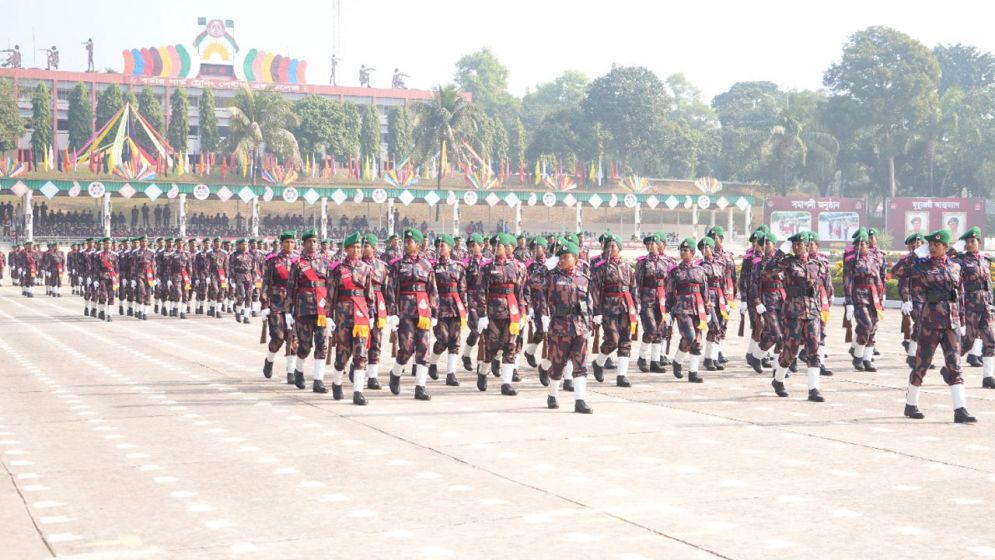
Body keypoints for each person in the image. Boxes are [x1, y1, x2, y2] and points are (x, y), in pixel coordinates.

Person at [895, 229, 976, 423]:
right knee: (921, 365)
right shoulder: (921, 266)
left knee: (955, 366)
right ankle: (911, 404)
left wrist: (963, 322)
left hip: (952, 322)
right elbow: (897, 271)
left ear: (945, 247)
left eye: (936, 245)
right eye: (930, 244)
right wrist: (915, 254)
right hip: (930, 322)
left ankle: (960, 409)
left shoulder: (956, 267)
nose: (932, 247)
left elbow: (961, 295)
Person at [770, 232, 828, 402]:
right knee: (791, 349)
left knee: (814, 348)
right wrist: (780, 252)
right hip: (793, 312)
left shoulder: (817, 263)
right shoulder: (787, 263)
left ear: (807, 245)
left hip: (812, 311)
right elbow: (767, 272)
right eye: (793, 244)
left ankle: (814, 389)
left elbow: (823, 284)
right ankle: (778, 380)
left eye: (799, 244)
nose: (796, 247)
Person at [538, 239, 594, 413]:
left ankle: (580, 401)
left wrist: (590, 322)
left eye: (565, 257)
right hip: (560, 327)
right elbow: (533, 282)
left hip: (579, 326)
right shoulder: (553, 278)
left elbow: (588, 302)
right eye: (559, 257)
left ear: (575, 259)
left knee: (580, 364)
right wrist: (546, 266)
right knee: (557, 364)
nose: (561, 260)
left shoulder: (583, 279)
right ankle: (552, 395)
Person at [385, 228, 438, 400]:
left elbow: (432, 290)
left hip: (423, 311)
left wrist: (435, 312)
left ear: (417, 244)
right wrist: (392, 313)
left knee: (424, 348)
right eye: (405, 241)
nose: (406, 244)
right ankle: (396, 373)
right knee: (406, 348)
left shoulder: (426, 265)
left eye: (410, 242)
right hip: (405, 311)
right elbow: (391, 290)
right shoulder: (397, 265)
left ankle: (420, 387)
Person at [327, 232, 375, 404]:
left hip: (361, 313)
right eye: (353, 247)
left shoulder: (366, 269)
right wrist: (328, 316)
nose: (357, 250)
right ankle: (337, 382)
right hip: (343, 313)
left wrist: (371, 314)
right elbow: (331, 295)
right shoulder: (338, 269)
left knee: (361, 353)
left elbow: (370, 295)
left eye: (359, 247)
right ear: (346, 249)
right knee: (343, 352)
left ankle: (358, 392)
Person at [477, 233, 527, 395]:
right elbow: (481, 292)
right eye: (495, 245)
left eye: (500, 245)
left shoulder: (518, 267)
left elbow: (521, 292)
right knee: (492, 347)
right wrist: (482, 314)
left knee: (510, 346)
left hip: (511, 311)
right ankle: (483, 370)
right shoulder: (486, 268)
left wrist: (522, 313)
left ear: (506, 248)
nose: (497, 248)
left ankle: (506, 383)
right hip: (493, 312)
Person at [286, 229, 333, 392]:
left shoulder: (325, 262)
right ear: (304, 244)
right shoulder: (297, 263)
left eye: (315, 241)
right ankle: (299, 370)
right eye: (309, 241)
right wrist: (288, 311)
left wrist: (330, 312)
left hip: (321, 309)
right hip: (303, 308)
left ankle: (318, 381)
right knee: (305, 346)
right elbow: (291, 287)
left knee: (322, 344)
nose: (313, 244)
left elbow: (330, 287)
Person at [590, 233, 637, 387]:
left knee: (625, 341)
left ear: (619, 249)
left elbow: (633, 288)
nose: (610, 249)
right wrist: (596, 311)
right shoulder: (601, 268)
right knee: (612, 340)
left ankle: (621, 376)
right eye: (608, 246)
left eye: (613, 246)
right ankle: (599, 363)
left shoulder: (627, 268)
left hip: (625, 307)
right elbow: (595, 290)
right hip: (608, 307)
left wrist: (636, 307)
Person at [953, 227, 995, 389]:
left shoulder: (985, 260)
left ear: (979, 242)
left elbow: (988, 285)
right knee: (967, 342)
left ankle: (988, 377)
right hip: (969, 306)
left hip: (985, 306)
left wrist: (991, 304)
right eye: (967, 242)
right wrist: (954, 249)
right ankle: (951, 367)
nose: (970, 244)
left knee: (990, 341)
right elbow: (947, 262)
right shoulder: (960, 261)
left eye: (973, 241)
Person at [666, 237, 712, 382]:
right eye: (681, 250)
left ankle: (693, 373)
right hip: (682, 307)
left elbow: (705, 291)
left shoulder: (700, 270)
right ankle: (678, 360)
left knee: (697, 340)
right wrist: (668, 311)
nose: (682, 252)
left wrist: (708, 310)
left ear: (692, 252)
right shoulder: (675, 271)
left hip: (698, 307)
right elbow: (669, 292)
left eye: (685, 250)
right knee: (689, 336)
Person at [427, 234, 467, 386]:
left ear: (450, 248)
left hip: (455, 306)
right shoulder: (433, 267)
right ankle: (432, 362)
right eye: (438, 245)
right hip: (440, 307)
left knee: (455, 341)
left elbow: (463, 289)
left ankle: (451, 374)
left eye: (443, 245)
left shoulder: (458, 267)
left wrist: (465, 309)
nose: (440, 248)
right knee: (443, 339)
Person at [261, 231, 299, 383]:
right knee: (278, 336)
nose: (289, 245)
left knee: (293, 338)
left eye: (292, 242)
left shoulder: (299, 260)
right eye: (287, 242)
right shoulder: (272, 260)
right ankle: (269, 359)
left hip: (294, 302)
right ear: (281, 243)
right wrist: (264, 304)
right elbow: (265, 283)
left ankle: (291, 372)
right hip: (276, 301)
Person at [844, 229, 883, 372]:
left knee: (873, 327)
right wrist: (849, 302)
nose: (863, 246)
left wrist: (881, 296)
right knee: (865, 325)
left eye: (865, 243)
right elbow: (847, 280)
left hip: (873, 296)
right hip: (859, 295)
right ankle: (858, 357)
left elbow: (878, 278)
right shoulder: (851, 260)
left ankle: (867, 359)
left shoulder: (874, 258)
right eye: (859, 244)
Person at [747, 231, 783, 373]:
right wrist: (757, 302)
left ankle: (776, 368)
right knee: (776, 334)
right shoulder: (759, 263)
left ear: (774, 244)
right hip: (767, 300)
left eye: (767, 243)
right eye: (763, 244)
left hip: (782, 299)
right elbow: (754, 284)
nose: (765, 246)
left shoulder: (783, 260)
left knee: (779, 335)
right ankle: (757, 355)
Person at [635, 233, 669, 373]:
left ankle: (655, 361)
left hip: (661, 298)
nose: (653, 246)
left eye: (655, 244)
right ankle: (642, 357)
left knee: (659, 330)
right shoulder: (642, 263)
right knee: (651, 329)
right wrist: (638, 301)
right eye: (650, 244)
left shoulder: (665, 262)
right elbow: (638, 282)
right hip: (647, 298)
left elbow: (668, 282)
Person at [362, 234, 389, 390]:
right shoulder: (357, 265)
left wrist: (391, 311)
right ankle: (357, 364)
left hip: (378, 303)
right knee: (360, 339)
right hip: (361, 303)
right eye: (363, 246)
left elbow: (387, 289)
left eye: (367, 246)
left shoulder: (382, 266)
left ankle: (372, 376)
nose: (364, 249)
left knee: (376, 340)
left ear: (374, 248)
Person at [460, 233, 489, 372]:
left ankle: (480, 361)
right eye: (470, 246)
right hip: (472, 299)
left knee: (486, 332)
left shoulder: (489, 263)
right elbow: (463, 285)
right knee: (476, 330)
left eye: (474, 245)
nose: (472, 248)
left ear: (481, 246)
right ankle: (467, 354)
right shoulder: (465, 264)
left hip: (486, 300)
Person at [229, 239, 255, 324]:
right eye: (243, 244)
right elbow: (231, 267)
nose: (245, 246)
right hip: (239, 276)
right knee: (241, 295)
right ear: (238, 245)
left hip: (249, 277)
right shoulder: (234, 255)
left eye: (246, 244)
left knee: (249, 296)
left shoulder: (251, 255)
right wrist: (232, 279)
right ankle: (238, 311)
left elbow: (254, 268)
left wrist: (254, 280)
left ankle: (246, 317)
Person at [93, 237, 119, 321]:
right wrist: (95, 279)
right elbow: (96, 268)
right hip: (102, 277)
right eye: (106, 243)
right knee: (103, 295)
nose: (108, 245)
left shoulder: (115, 255)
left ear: (111, 245)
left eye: (109, 243)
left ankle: (110, 315)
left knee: (111, 296)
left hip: (112, 278)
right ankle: (101, 311)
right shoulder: (99, 255)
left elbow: (116, 269)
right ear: (103, 244)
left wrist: (117, 280)